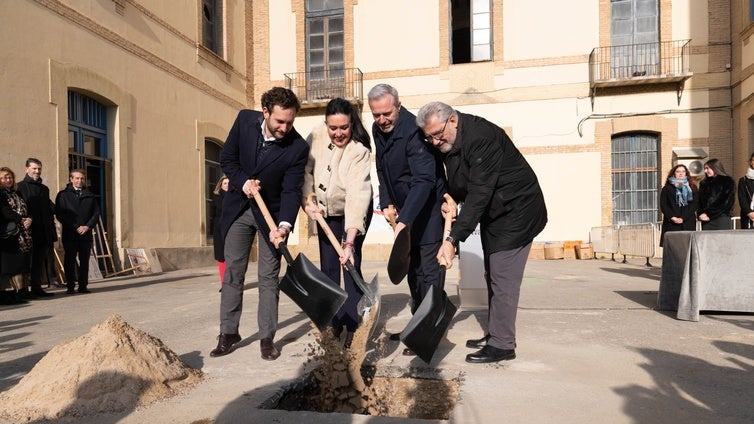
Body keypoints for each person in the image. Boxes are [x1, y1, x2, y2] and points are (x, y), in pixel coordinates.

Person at [417, 101, 548, 363]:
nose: (433, 141)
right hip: (495, 211)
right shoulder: (450, 141)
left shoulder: (482, 138)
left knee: (503, 277)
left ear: (452, 120)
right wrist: (451, 198)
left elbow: (479, 193)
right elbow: (461, 179)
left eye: (437, 134)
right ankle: (496, 332)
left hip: (517, 211)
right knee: (493, 273)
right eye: (428, 137)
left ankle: (502, 345)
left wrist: (453, 239)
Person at [211, 87, 309, 361]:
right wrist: (242, 182)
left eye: (290, 122)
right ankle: (228, 333)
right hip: (239, 209)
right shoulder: (244, 120)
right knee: (233, 274)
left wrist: (285, 226)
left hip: (273, 217)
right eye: (280, 121)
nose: (285, 127)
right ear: (265, 112)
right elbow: (227, 158)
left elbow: (291, 190)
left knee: (268, 278)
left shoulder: (298, 147)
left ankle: (267, 337)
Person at [367, 84, 446, 356]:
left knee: (428, 272)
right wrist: (387, 201)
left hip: (428, 212)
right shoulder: (378, 130)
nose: (382, 120)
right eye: (376, 115)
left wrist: (406, 219)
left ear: (398, 107)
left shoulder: (414, 131)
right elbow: (382, 167)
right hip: (405, 212)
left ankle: (428, 332)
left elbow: (424, 180)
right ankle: (416, 324)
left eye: (387, 113)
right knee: (413, 272)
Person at [301, 98, 373, 348]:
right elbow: (306, 171)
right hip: (324, 211)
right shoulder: (316, 135)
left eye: (344, 127)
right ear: (326, 124)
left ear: (351, 124)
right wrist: (307, 201)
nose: (338, 133)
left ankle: (353, 323)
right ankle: (332, 321)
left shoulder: (359, 151)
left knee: (348, 264)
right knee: (329, 266)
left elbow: (357, 195)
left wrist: (350, 242)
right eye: (333, 128)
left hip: (351, 211)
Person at [55, 169, 100, 294]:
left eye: (82, 178)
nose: (80, 181)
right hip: (70, 234)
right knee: (69, 260)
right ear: (71, 179)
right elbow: (60, 214)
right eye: (77, 178)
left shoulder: (90, 195)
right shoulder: (63, 195)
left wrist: (87, 227)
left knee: (84, 261)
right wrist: (75, 226)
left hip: (85, 234)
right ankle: (70, 286)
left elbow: (96, 214)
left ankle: (83, 286)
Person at [17, 158, 57, 297]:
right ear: (26, 169)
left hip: (43, 231)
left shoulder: (44, 189)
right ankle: (23, 290)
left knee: (39, 261)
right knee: (26, 262)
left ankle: (36, 287)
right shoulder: (19, 187)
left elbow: (48, 209)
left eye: (39, 168)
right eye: (34, 168)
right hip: (26, 232)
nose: (37, 171)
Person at [0, 167, 34, 305]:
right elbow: (5, 212)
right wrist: (21, 220)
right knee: (7, 267)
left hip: (21, 235)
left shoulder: (16, 193)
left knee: (18, 265)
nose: (8, 180)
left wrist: (29, 219)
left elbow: (27, 209)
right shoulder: (0, 194)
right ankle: (5, 296)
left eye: (10, 177)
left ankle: (17, 294)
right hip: (6, 235)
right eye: (4, 177)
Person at [659, 164, 698, 246]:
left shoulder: (692, 188)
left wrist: (683, 218)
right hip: (671, 223)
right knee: (673, 248)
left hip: (687, 222)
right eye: (678, 172)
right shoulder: (667, 189)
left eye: (683, 172)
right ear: (673, 174)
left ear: (686, 174)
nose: (681, 174)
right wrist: (672, 217)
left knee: (687, 247)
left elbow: (694, 204)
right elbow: (664, 205)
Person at [697, 158, 735, 231]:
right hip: (706, 220)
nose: (705, 171)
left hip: (721, 218)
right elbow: (700, 202)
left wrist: (709, 213)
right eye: (704, 169)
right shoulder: (704, 183)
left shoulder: (727, 181)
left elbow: (725, 201)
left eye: (707, 168)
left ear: (715, 167)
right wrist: (700, 214)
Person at [212, 175, 229, 291]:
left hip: (233, 227)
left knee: (234, 257)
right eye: (225, 183)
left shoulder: (237, 195)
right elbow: (222, 209)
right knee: (222, 257)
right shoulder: (217, 196)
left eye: (229, 183)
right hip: (219, 229)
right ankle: (224, 284)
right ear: (220, 185)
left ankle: (235, 282)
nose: (227, 185)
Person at [737, 152, 754, 229]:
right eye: (753, 160)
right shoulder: (743, 180)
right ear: (751, 162)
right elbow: (742, 198)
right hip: (747, 216)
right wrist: (749, 212)